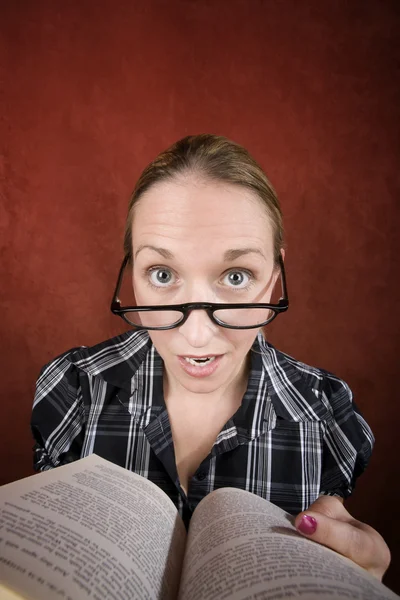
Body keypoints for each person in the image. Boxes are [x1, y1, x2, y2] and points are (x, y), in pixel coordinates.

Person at [31, 134, 390, 579]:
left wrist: (358, 583)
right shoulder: (72, 393)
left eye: (236, 276)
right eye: (162, 274)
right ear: (133, 272)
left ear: (275, 277)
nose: (196, 335)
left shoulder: (328, 417)